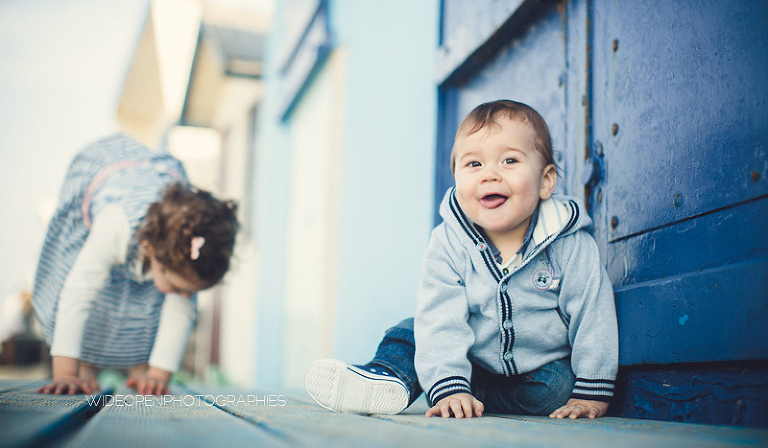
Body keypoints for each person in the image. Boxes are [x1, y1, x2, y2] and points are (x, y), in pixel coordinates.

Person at [305, 100, 618, 419]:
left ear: (546, 181)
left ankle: (461, 393)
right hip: (462, 355)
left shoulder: (570, 244)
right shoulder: (448, 242)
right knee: (414, 331)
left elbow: (593, 316)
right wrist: (450, 384)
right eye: (473, 165)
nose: (490, 175)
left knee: (558, 387)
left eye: (509, 160)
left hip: (534, 374)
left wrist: (592, 391)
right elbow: (441, 319)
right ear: (456, 178)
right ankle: (387, 376)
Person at [32, 134, 238, 396]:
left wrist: (157, 375)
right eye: (177, 286)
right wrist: (65, 374)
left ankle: (139, 369)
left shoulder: (182, 263)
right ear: (151, 250)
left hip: (158, 208)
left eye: (189, 290)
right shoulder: (116, 226)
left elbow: (180, 313)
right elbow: (78, 293)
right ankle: (84, 368)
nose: (183, 295)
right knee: (95, 297)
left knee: (150, 308)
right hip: (112, 183)